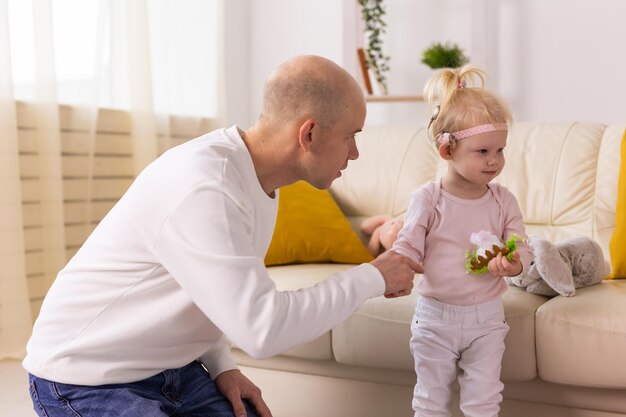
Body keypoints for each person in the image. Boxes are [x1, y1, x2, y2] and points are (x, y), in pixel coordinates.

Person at [23, 55, 421, 417]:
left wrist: (221, 365)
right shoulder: (206, 186)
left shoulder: (260, 181)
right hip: (84, 379)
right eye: (352, 135)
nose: (354, 154)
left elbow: (208, 289)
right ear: (309, 134)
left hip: (172, 371)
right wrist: (374, 276)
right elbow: (263, 330)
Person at [391, 65, 532, 417]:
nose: (495, 160)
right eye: (482, 151)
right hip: (436, 317)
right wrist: (394, 272)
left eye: (500, 150)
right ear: (446, 150)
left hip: (487, 319)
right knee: (430, 400)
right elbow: (407, 245)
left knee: (483, 401)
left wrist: (514, 263)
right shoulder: (429, 198)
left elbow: (522, 245)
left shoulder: (503, 200)